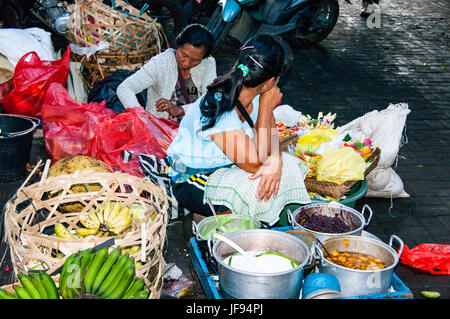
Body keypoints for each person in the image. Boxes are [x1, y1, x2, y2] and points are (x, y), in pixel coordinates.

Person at [166, 34, 293, 217]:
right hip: (191, 179)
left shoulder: (256, 96)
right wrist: (266, 108)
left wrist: (277, 159)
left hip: (224, 167)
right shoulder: (220, 105)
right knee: (256, 191)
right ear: (270, 82)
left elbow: (271, 142)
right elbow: (257, 164)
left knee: (285, 168)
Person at [116, 24, 216, 120]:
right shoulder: (161, 63)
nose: (187, 63)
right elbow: (125, 88)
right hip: (161, 130)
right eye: (184, 55)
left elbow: (210, 99)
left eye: (195, 60)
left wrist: (181, 110)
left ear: (204, 58)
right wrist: (141, 116)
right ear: (178, 46)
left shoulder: (208, 64)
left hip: (195, 127)